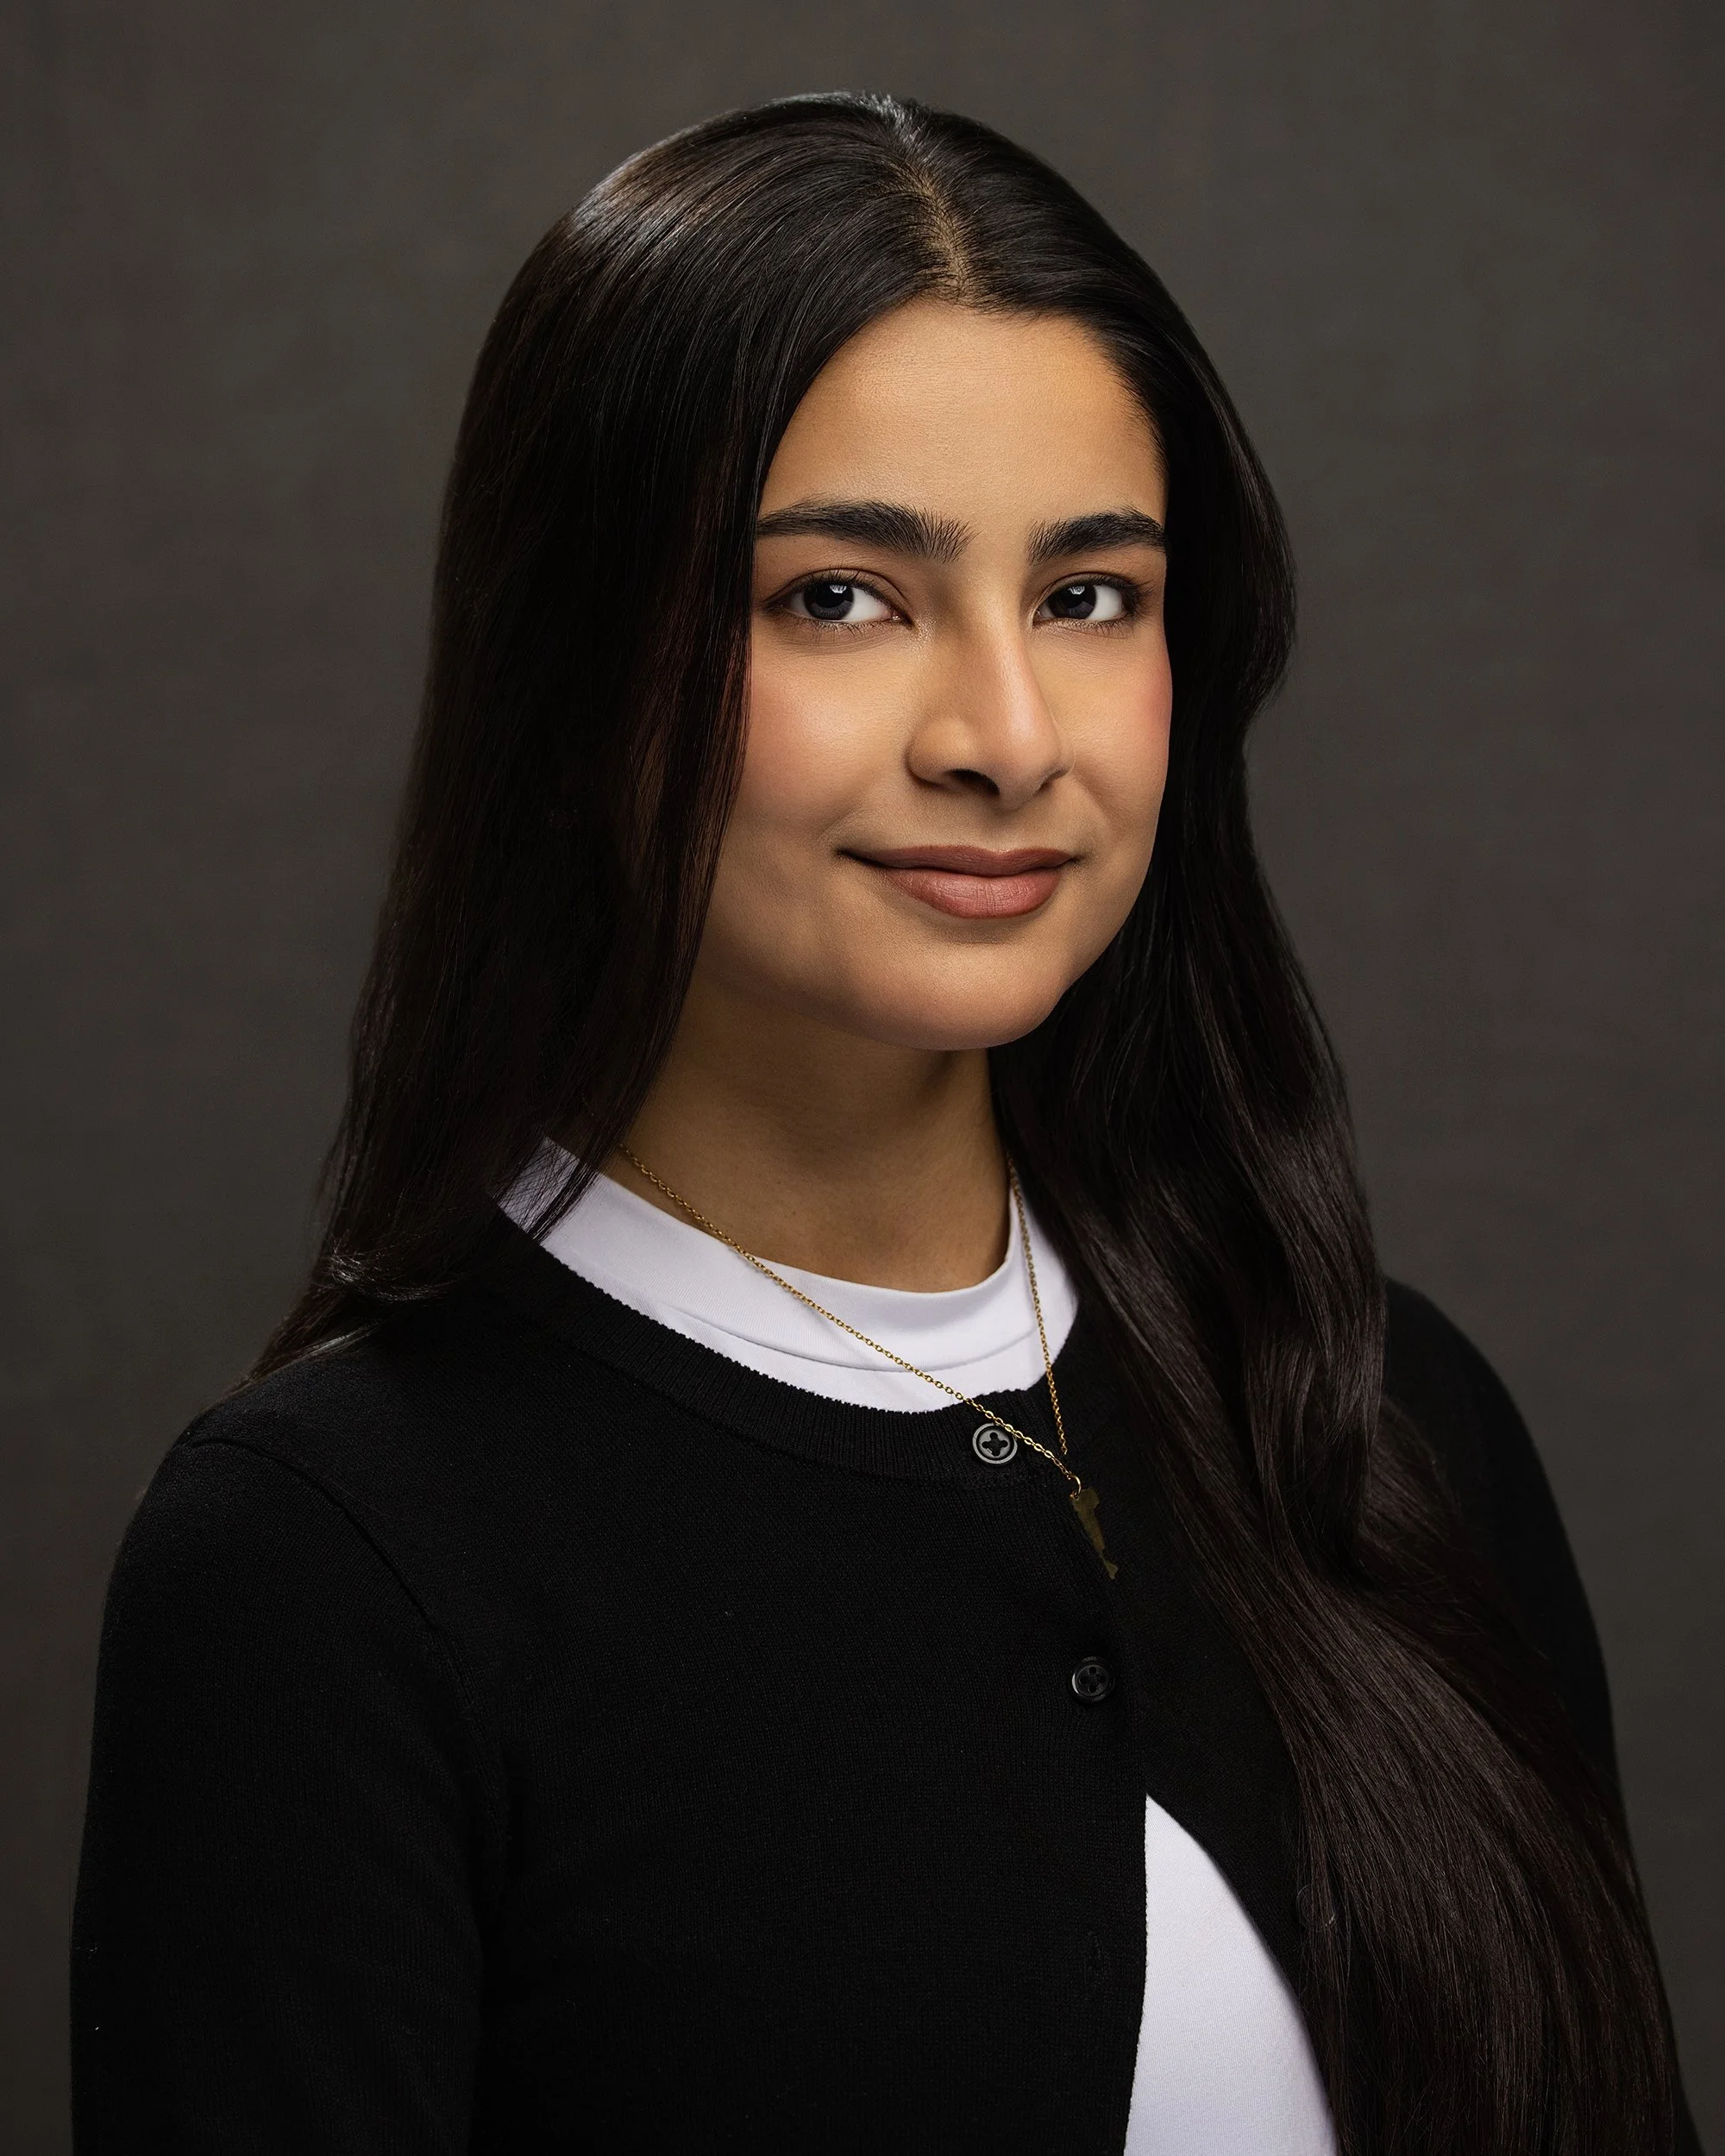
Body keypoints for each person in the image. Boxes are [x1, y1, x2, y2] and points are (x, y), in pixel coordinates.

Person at [71, 92, 1697, 2155]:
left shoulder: (1387, 1418)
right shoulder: (330, 1561)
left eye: (1089, 595)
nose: (1002, 738)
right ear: (579, 668)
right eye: (840, 595)